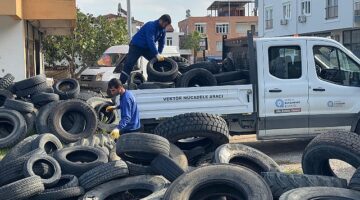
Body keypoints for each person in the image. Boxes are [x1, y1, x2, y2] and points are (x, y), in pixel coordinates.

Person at [120, 14, 172, 84]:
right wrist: (156, 54)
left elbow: (162, 43)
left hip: (146, 48)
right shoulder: (151, 26)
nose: (165, 26)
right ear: (161, 21)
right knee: (129, 64)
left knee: (157, 63)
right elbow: (150, 41)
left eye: (167, 25)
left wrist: (159, 53)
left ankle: (153, 82)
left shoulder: (163, 30)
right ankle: (120, 84)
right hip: (136, 46)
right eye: (165, 24)